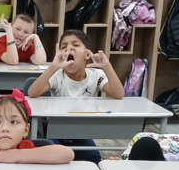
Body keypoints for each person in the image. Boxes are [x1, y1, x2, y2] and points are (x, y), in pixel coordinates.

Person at [27, 30, 125, 162]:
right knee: (54, 159)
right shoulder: (57, 76)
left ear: (86, 54)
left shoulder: (96, 75)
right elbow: (32, 93)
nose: (69, 48)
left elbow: (119, 94)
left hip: (82, 134)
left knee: (93, 158)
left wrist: (107, 66)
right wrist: (54, 66)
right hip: (56, 133)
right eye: (64, 46)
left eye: (76, 45)